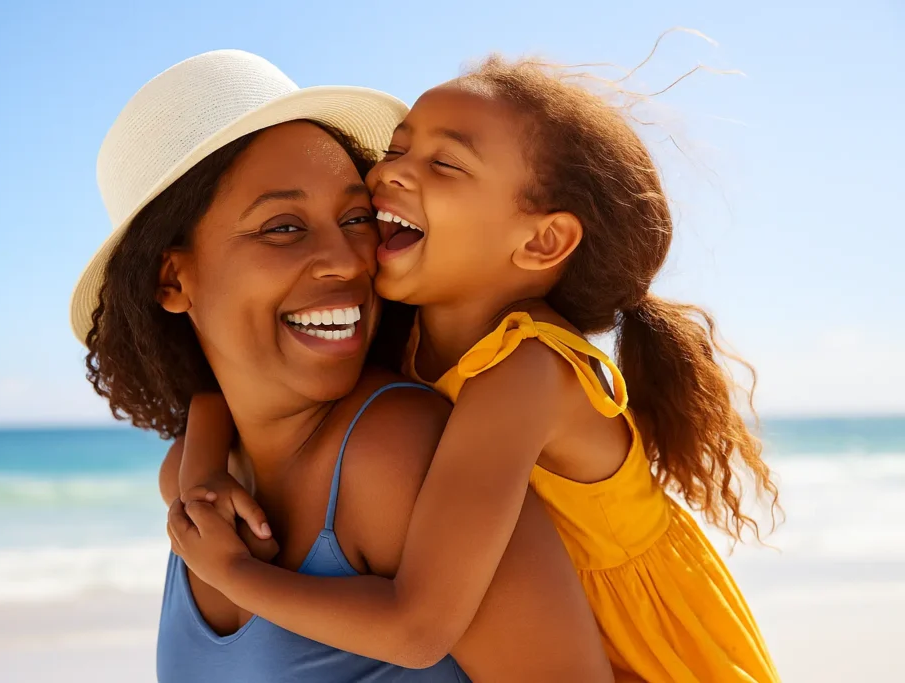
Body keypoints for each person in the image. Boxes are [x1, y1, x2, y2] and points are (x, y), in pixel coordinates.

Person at [172, 54, 782, 682]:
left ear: (541, 242)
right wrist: (203, 477)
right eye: (397, 148)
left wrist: (233, 572)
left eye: (444, 163)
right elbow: (221, 403)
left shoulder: (527, 370)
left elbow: (417, 629)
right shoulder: (410, 335)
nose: (389, 174)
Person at [72, 50, 612, 682]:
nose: (349, 260)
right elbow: (205, 411)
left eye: (356, 218)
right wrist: (203, 468)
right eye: (282, 227)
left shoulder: (394, 452)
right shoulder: (198, 475)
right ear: (173, 278)